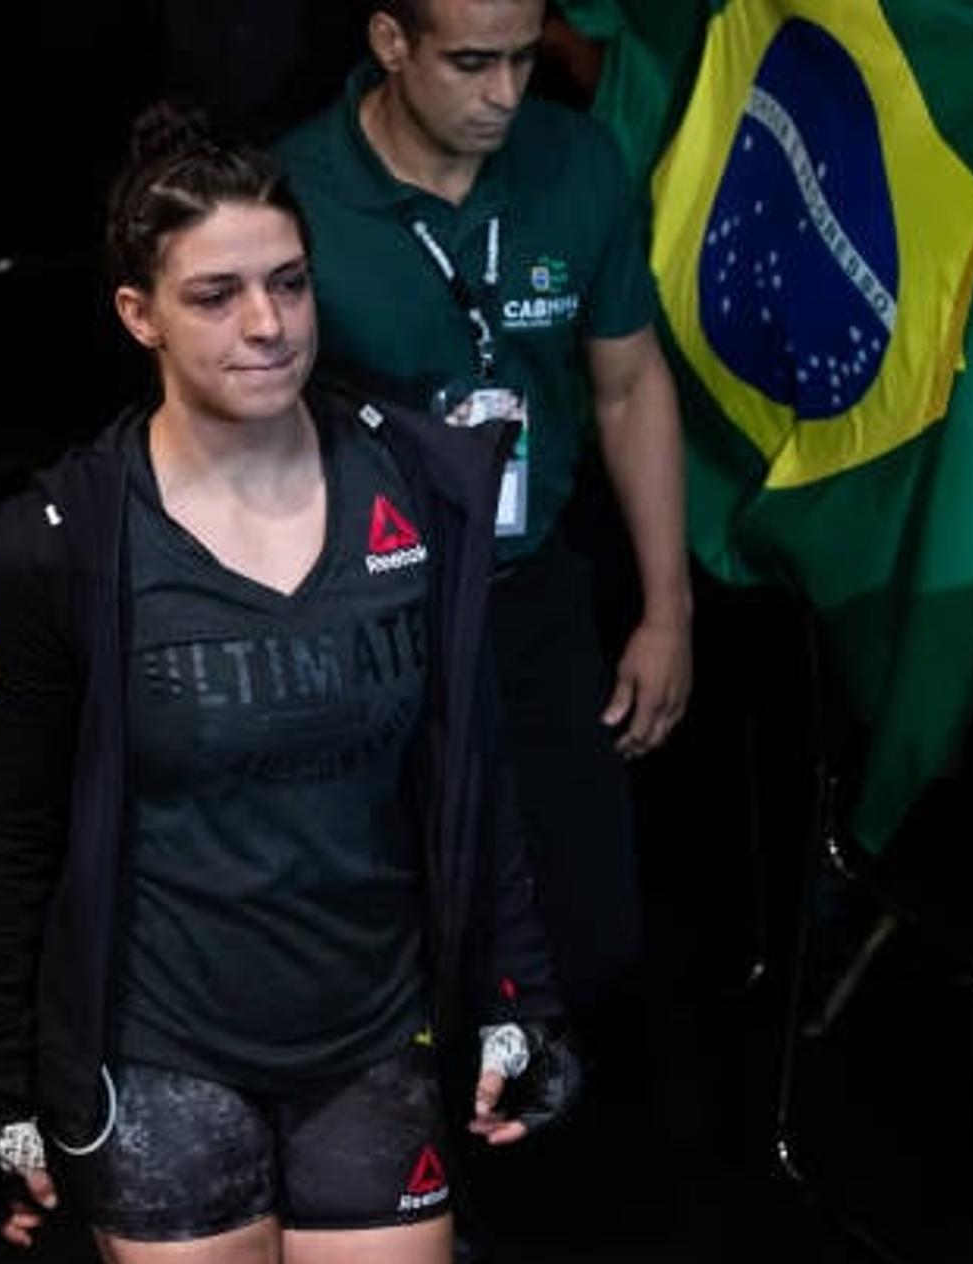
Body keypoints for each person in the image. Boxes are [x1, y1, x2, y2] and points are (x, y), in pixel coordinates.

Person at [0, 103, 582, 1264]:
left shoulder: (415, 483)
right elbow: (7, 834)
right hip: (163, 1054)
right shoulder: (62, 542)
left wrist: (518, 994)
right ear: (141, 316)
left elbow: (473, 763)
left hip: (376, 1036)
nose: (268, 324)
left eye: (289, 282)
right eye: (216, 295)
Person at [273, 0, 693, 1057]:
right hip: (364, 613)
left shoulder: (576, 163)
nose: (505, 94)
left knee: (585, 933)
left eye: (520, 58)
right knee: (376, 939)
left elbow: (629, 383)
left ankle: (513, 1170)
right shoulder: (294, 197)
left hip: (527, 592)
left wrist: (667, 606)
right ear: (389, 42)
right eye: (471, 64)